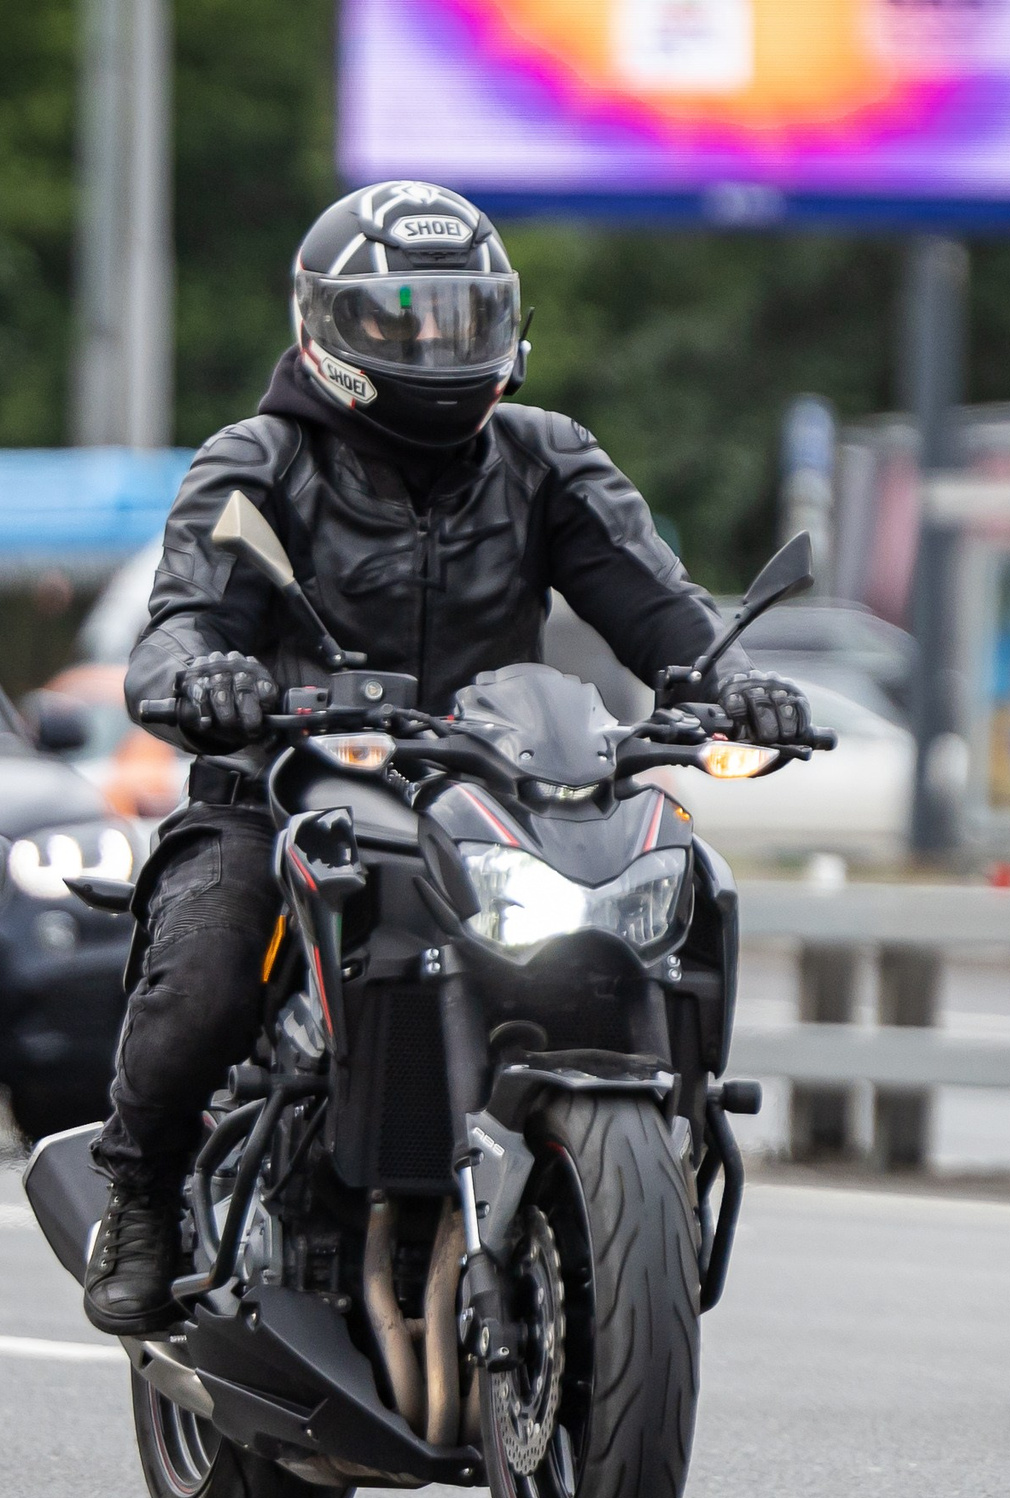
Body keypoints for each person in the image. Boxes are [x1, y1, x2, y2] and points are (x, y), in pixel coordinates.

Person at [82, 181, 813, 1334]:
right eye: (405, 318)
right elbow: (178, 624)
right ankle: (139, 1191)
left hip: (494, 796)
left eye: (466, 317)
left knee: (662, 900)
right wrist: (205, 679)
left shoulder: (543, 459)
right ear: (330, 328)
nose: (439, 343)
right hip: (286, 798)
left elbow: (664, 610)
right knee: (212, 966)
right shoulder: (258, 463)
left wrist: (733, 688)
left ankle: (648, 1161)